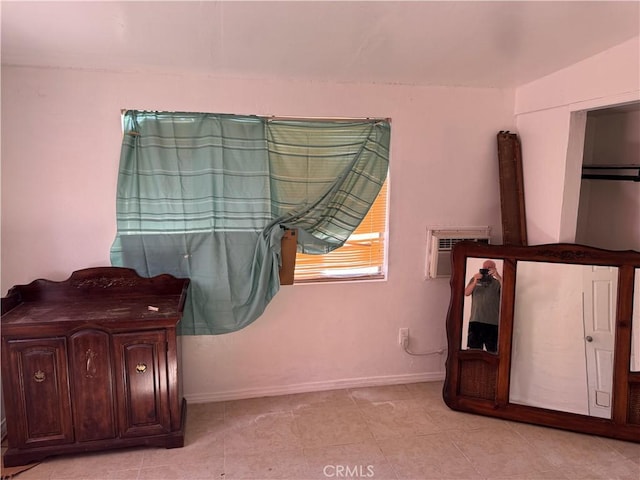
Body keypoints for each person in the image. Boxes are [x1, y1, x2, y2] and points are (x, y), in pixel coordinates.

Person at [464, 260, 502, 353]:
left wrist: (497, 276)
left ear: (494, 269)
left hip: (492, 322)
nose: (486, 270)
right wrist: (475, 280)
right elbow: (466, 292)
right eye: (484, 268)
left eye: (489, 268)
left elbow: (508, 291)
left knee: (493, 352)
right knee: (474, 352)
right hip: (476, 321)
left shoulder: (497, 283)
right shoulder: (474, 280)